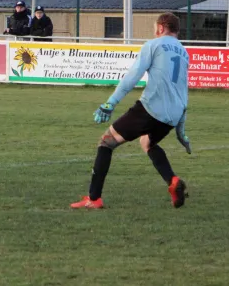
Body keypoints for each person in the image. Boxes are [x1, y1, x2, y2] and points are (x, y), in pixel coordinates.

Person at [71, 13, 191, 209]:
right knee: (147, 142)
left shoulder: (154, 45)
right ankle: (173, 181)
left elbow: (132, 77)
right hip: (173, 115)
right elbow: (182, 89)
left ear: (160, 28)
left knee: (106, 142)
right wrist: (181, 131)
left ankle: (94, 199)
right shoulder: (184, 53)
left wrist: (109, 104)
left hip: (151, 108)